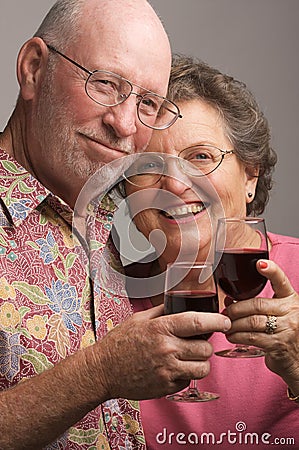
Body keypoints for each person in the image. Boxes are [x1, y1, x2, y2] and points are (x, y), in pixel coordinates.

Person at [0, 3, 232, 448]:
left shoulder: (106, 217)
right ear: (33, 69)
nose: (124, 124)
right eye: (105, 84)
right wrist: (100, 373)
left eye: (147, 103)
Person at [124, 55, 299, 449]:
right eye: (149, 165)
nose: (176, 184)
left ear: (250, 175)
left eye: (200, 157)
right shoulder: (96, 300)